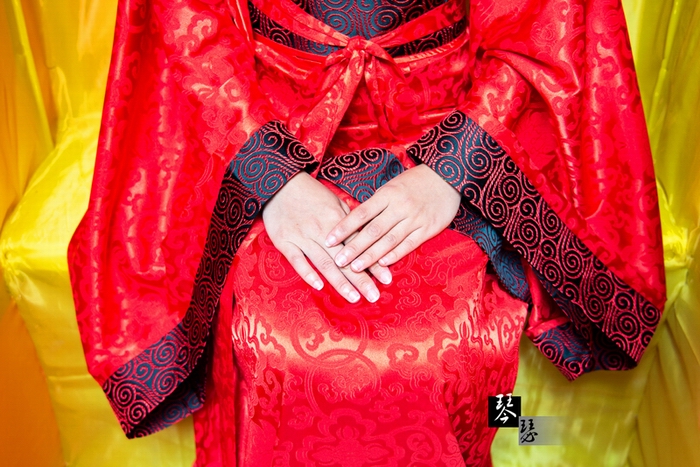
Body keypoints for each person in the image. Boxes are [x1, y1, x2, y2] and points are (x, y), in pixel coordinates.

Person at [68, 0, 666, 465]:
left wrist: (455, 165)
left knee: (443, 350)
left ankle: (514, 427)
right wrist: (268, 172)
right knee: (271, 339)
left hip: (449, 124)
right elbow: (190, 23)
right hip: (271, 119)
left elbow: (541, 20)